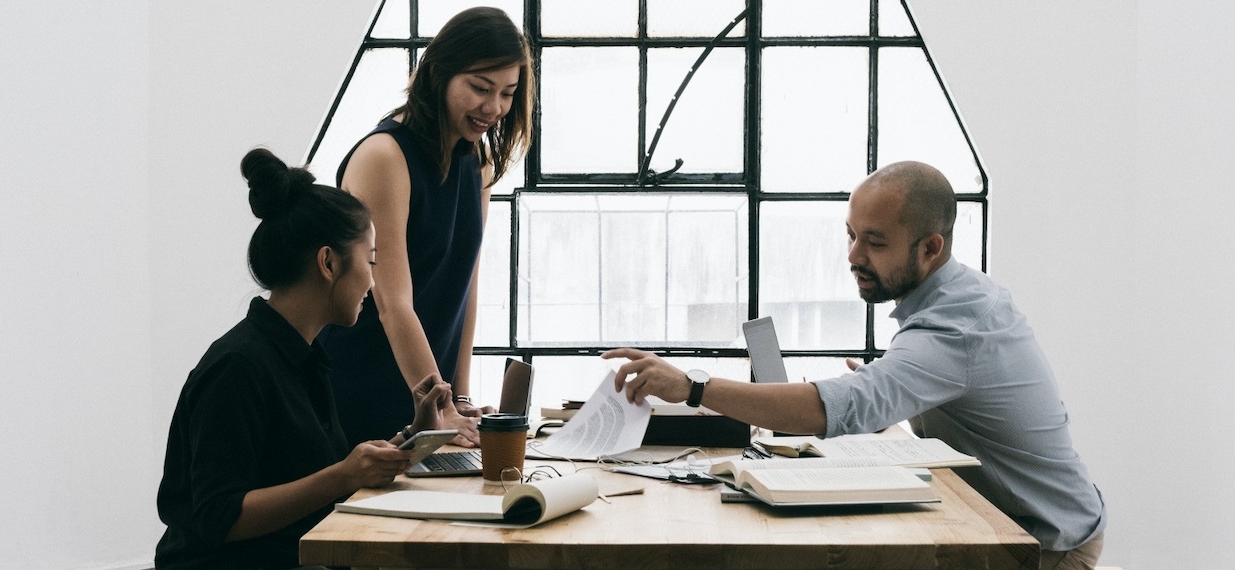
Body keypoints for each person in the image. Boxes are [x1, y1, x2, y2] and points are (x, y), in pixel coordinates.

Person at [604, 161, 1107, 570]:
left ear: (931, 247)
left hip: (1046, 547)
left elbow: (829, 411)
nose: (853, 255)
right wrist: (891, 395)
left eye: (876, 242)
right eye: (851, 235)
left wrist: (692, 386)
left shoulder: (958, 324)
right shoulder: (948, 301)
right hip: (1010, 526)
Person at [155, 148, 450, 569]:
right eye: (369, 261)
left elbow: (321, 473)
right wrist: (343, 475)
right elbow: (217, 516)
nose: (372, 279)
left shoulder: (303, 355)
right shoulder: (238, 366)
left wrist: (414, 438)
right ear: (328, 263)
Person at [319, 6, 535, 448]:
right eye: (480, 87)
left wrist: (458, 394)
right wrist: (440, 409)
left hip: (427, 394)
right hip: (361, 388)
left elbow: (464, 286)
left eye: (508, 93)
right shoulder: (384, 157)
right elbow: (393, 303)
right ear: (438, 74)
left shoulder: (477, 162)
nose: (493, 108)